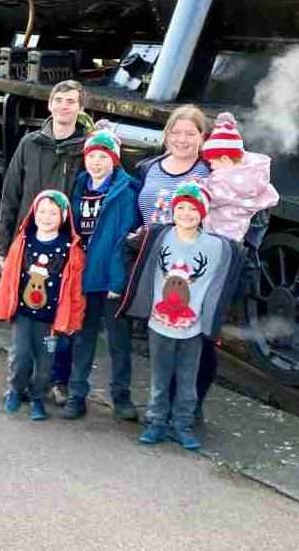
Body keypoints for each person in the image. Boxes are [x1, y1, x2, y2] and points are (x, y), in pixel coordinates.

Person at [120, 182, 243, 450]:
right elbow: (130, 248)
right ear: (173, 210)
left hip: (193, 327)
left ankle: (182, 425)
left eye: (193, 208)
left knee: (187, 381)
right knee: (160, 379)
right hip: (158, 323)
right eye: (181, 207)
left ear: (203, 213)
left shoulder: (216, 247)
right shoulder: (158, 237)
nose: (186, 213)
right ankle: (156, 422)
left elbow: (233, 264)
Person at [0, 80, 88, 404]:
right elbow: (11, 194)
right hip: (31, 245)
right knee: (25, 316)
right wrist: (2, 246)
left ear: (80, 108)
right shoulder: (30, 144)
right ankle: (19, 383)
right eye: (59, 100)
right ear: (50, 105)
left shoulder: (86, 147)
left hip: (66, 249)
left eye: (71, 101)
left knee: (60, 318)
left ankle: (54, 381)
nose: (65, 106)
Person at [131, 104, 216, 417]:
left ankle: (190, 408)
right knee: (161, 335)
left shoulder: (211, 174)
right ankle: (160, 407)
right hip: (154, 261)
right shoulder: (148, 167)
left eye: (190, 133)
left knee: (196, 337)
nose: (182, 139)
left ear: (202, 137)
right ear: (166, 135)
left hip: (191, 268)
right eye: (176, 132)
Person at [62, 123, 139, 421]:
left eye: (104, 157)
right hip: (83, 276)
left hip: (111, 278)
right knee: (83, 338)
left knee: (119, 341)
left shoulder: (125, 193)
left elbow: (124, 238)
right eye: (92, 156)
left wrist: (118, 279)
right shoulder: (78, 187)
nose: (97, 162)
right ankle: (76, 394)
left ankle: (121, 397)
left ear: (115, 160)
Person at [0, 190, 86, 421]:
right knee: (21, 355)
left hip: (51, 319)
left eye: (53, 213)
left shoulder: (71, 250)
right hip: (23, 314)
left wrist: (73, 318)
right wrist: (4, 307)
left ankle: (38, 397)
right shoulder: (23, 243)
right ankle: (16, 389)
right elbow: (9, 279)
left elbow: (76, 289)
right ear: (34, 213)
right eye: (42, 211)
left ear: (64, 216)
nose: (46, 217)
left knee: (46, 362)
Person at [200, 112, 279, 243]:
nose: (212, 167)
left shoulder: (224, 180)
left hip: (220, 233)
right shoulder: (253, 173)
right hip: (240, 230)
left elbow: (210, 197)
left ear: (225, 159)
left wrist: (196, 184)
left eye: (213, 162)